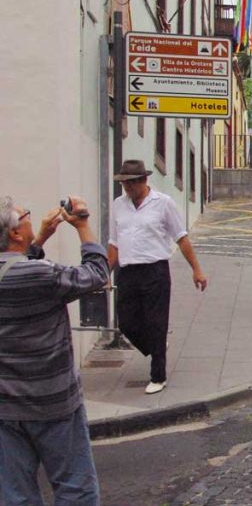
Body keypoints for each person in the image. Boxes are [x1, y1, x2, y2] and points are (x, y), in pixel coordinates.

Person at [0, 195, 107, 506]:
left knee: (15, 497)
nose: (33, 218)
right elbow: (96, 274)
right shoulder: (42, 275)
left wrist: (43, 234)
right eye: (27, 216)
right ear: (16, 233)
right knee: (76, 490)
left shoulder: (29, 272)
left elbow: (14, 267)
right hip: (54, 403)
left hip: (5, 406)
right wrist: (83, 226)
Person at [108, 160, 208, 395]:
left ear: (143, 180)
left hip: (155, 271)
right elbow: (114, 242)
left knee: (156, 322)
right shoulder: (118, 205)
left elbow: (181, 237)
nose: (127, 188)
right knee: (126, 323)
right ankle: (157, 346)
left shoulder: (163, 204)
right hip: (128, 271)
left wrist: (197, 269)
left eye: (131, 183)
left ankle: (158, 375)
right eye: (123, 183)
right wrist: (105, 272)